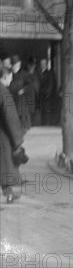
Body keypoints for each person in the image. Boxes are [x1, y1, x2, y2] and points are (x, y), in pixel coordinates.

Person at [0, 67, 26, 203]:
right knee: (6, 165)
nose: (11, 80)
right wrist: (17, 140)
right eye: (10, 77)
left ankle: (8, 192)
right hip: (3, 135)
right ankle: (9, 193)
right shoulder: (4, 92)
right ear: (5, 77)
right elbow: (10, 118)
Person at [9, 55, 33, 131]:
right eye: (13, 65)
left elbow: (30, 85)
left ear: (19, 64)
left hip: (21, 100)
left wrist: (23, 90)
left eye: (16, 64)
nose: (14, 66)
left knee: (22, 117)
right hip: (11, 98)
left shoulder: (24, 74)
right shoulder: (9, 73)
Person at [38, 58, 56, 126]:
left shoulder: (49, 73)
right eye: (41, 64)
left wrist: (48, 93)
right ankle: (44, 122)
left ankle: (47, 122)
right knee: (42, 108)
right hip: (41, 94)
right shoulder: (39, 73)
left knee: (47, 109)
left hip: (47, 95)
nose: (42, 65)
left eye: (43, 64)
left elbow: (51, 84)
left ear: (46, 64)